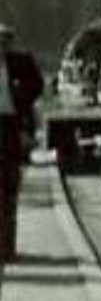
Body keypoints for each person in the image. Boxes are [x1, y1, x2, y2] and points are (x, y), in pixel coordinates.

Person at [0, 24, 43, 261]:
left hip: (9, 128)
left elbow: (37, 85)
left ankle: (7, 248)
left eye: (5, 41)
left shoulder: (20, 63)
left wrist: (20, 98)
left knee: (9, 188)